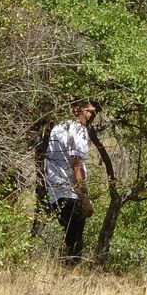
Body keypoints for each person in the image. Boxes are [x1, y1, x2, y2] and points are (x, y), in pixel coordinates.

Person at [45, 100, 97, 265]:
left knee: (67, 234)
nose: (92, 116)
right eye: (90, 112)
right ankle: (68, 273)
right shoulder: (78, 130)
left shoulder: (57, 128)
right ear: (77, 110)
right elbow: (76, 165)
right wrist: (84, 197)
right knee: (74, 239)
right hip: (70, 190)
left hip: (55, 189)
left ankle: (62, 271)